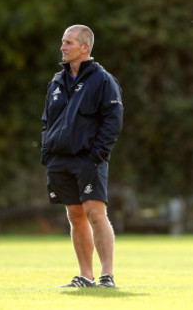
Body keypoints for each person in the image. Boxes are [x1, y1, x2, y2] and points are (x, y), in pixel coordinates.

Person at [41, 24, 124, 288]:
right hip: (59, 159)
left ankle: (106, 275)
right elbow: (47, 121)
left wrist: (97, 154)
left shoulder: (102, 80)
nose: (62, 47)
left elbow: (113, 120)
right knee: (74, 215)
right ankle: (85, 276)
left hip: (89, 158)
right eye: (63, 42)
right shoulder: (56, 81)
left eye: (68, 43)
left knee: (95, 213)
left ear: (84, 47)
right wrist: (48, 152)